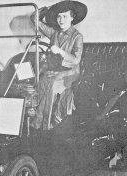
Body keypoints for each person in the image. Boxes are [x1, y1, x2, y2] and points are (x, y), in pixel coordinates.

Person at [30, 1, 87, 130]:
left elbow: (76, 60)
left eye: (65, 16)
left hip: (71, 72)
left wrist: (61, 52)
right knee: (41, 81)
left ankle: (47, 125)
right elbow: (34, 18)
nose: (61, 20)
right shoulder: (54, 33)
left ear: (72, 18)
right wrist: (49, 9)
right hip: (55, 71)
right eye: (58, 16)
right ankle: (36, 124)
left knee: (51, 84)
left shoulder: (77, 36)